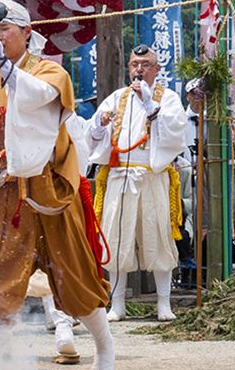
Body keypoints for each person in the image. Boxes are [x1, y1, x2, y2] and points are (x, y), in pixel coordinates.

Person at [0, 0, 114, 369]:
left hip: (48, 194)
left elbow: (36, 101)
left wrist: (4, 66)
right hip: (2, 197)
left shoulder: (50, 72)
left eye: (5, 30)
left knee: (77, 278)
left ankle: (105, 348)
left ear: (27, 33)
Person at [86, 45, 190, 322]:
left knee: (158, 237)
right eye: (135, 64)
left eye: (145, 64)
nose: (139, 69)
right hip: (120, 176)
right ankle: (117, 304)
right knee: (115, 238)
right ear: (129, 68)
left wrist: (149, 106)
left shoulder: (167, 98)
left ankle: (163, 303)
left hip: (152, 176)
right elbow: (93, 133)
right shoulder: (118, 97)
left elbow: (176, 133)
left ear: (157, 68)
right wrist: (99, 123)